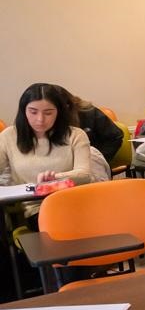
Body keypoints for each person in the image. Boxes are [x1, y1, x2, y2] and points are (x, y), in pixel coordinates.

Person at [0, 83, 92, 225]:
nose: (40, 119)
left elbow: (84, 175)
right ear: (23, 111)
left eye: (48, 113)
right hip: (38, 209)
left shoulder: (75, 135)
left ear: (59, 112)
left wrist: (54, 179)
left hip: (74, 202)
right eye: (33, 112)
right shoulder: (9, 136)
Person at [55, 87, 124, 163]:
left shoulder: (88, 112)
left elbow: (115, 137)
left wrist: (96, 158)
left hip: (92, 162)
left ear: (67, 106)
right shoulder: (44, 119)